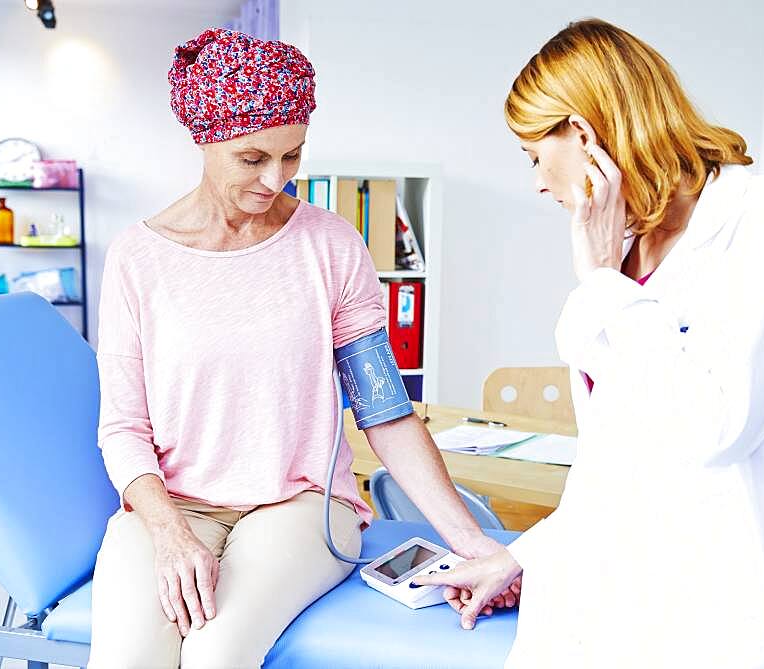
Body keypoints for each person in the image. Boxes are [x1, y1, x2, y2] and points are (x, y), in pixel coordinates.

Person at [87, 28, 510, 668]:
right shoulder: (137, 258)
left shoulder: (331, 246)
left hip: (302, 506)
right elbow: (121, 426)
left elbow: (386, 412)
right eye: (252, 157)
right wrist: (168, 533)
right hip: (171, 507)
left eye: (292, 155)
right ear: (203, 138)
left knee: (215, 653)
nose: (276, 178)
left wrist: (474, 545)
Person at [414, 19, 764, 668]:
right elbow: (614, 468)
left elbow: (717, 427)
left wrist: (604, 284)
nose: (537, 184)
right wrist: (518, 557)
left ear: (582, 134)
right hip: (606, 608)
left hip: (719, 617)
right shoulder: (617, 253)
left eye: (533, 156)